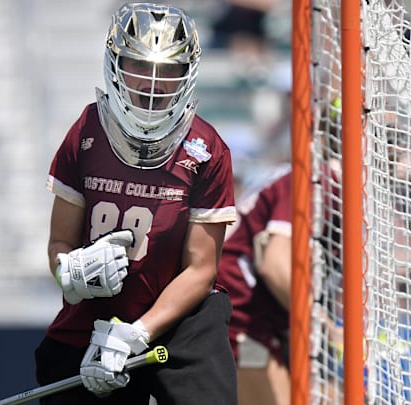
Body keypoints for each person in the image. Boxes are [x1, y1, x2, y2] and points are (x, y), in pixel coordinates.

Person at [36, 3, 238, 404]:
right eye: (139, 66)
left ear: (188, 72)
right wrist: (70, 273)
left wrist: (137, 334)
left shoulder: (206, 149)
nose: (151, 83)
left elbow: (201, 269)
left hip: (177, 323)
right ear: (116, 64)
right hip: (93, 319)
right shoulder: (87, 132)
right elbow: (59, 245)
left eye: (166, 70)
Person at [215, 165, 292, 405]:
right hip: (242, 314)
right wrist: (320, 325)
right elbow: (275, 265)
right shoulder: (313, 181)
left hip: (257, 315)